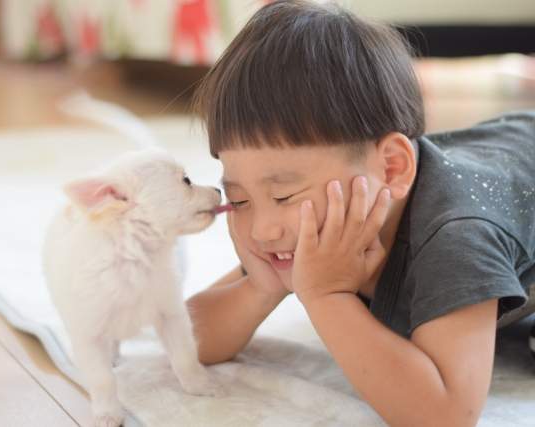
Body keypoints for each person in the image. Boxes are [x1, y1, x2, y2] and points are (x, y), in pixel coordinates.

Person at [186, 1, 535, 426]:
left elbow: (445, 413)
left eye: (284, 196)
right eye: (239, 200)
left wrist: (327, 298)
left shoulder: (457, 233)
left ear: (390, 169)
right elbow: (188, 337)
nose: (262, 228)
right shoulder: (301, 221)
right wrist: (261, 288)